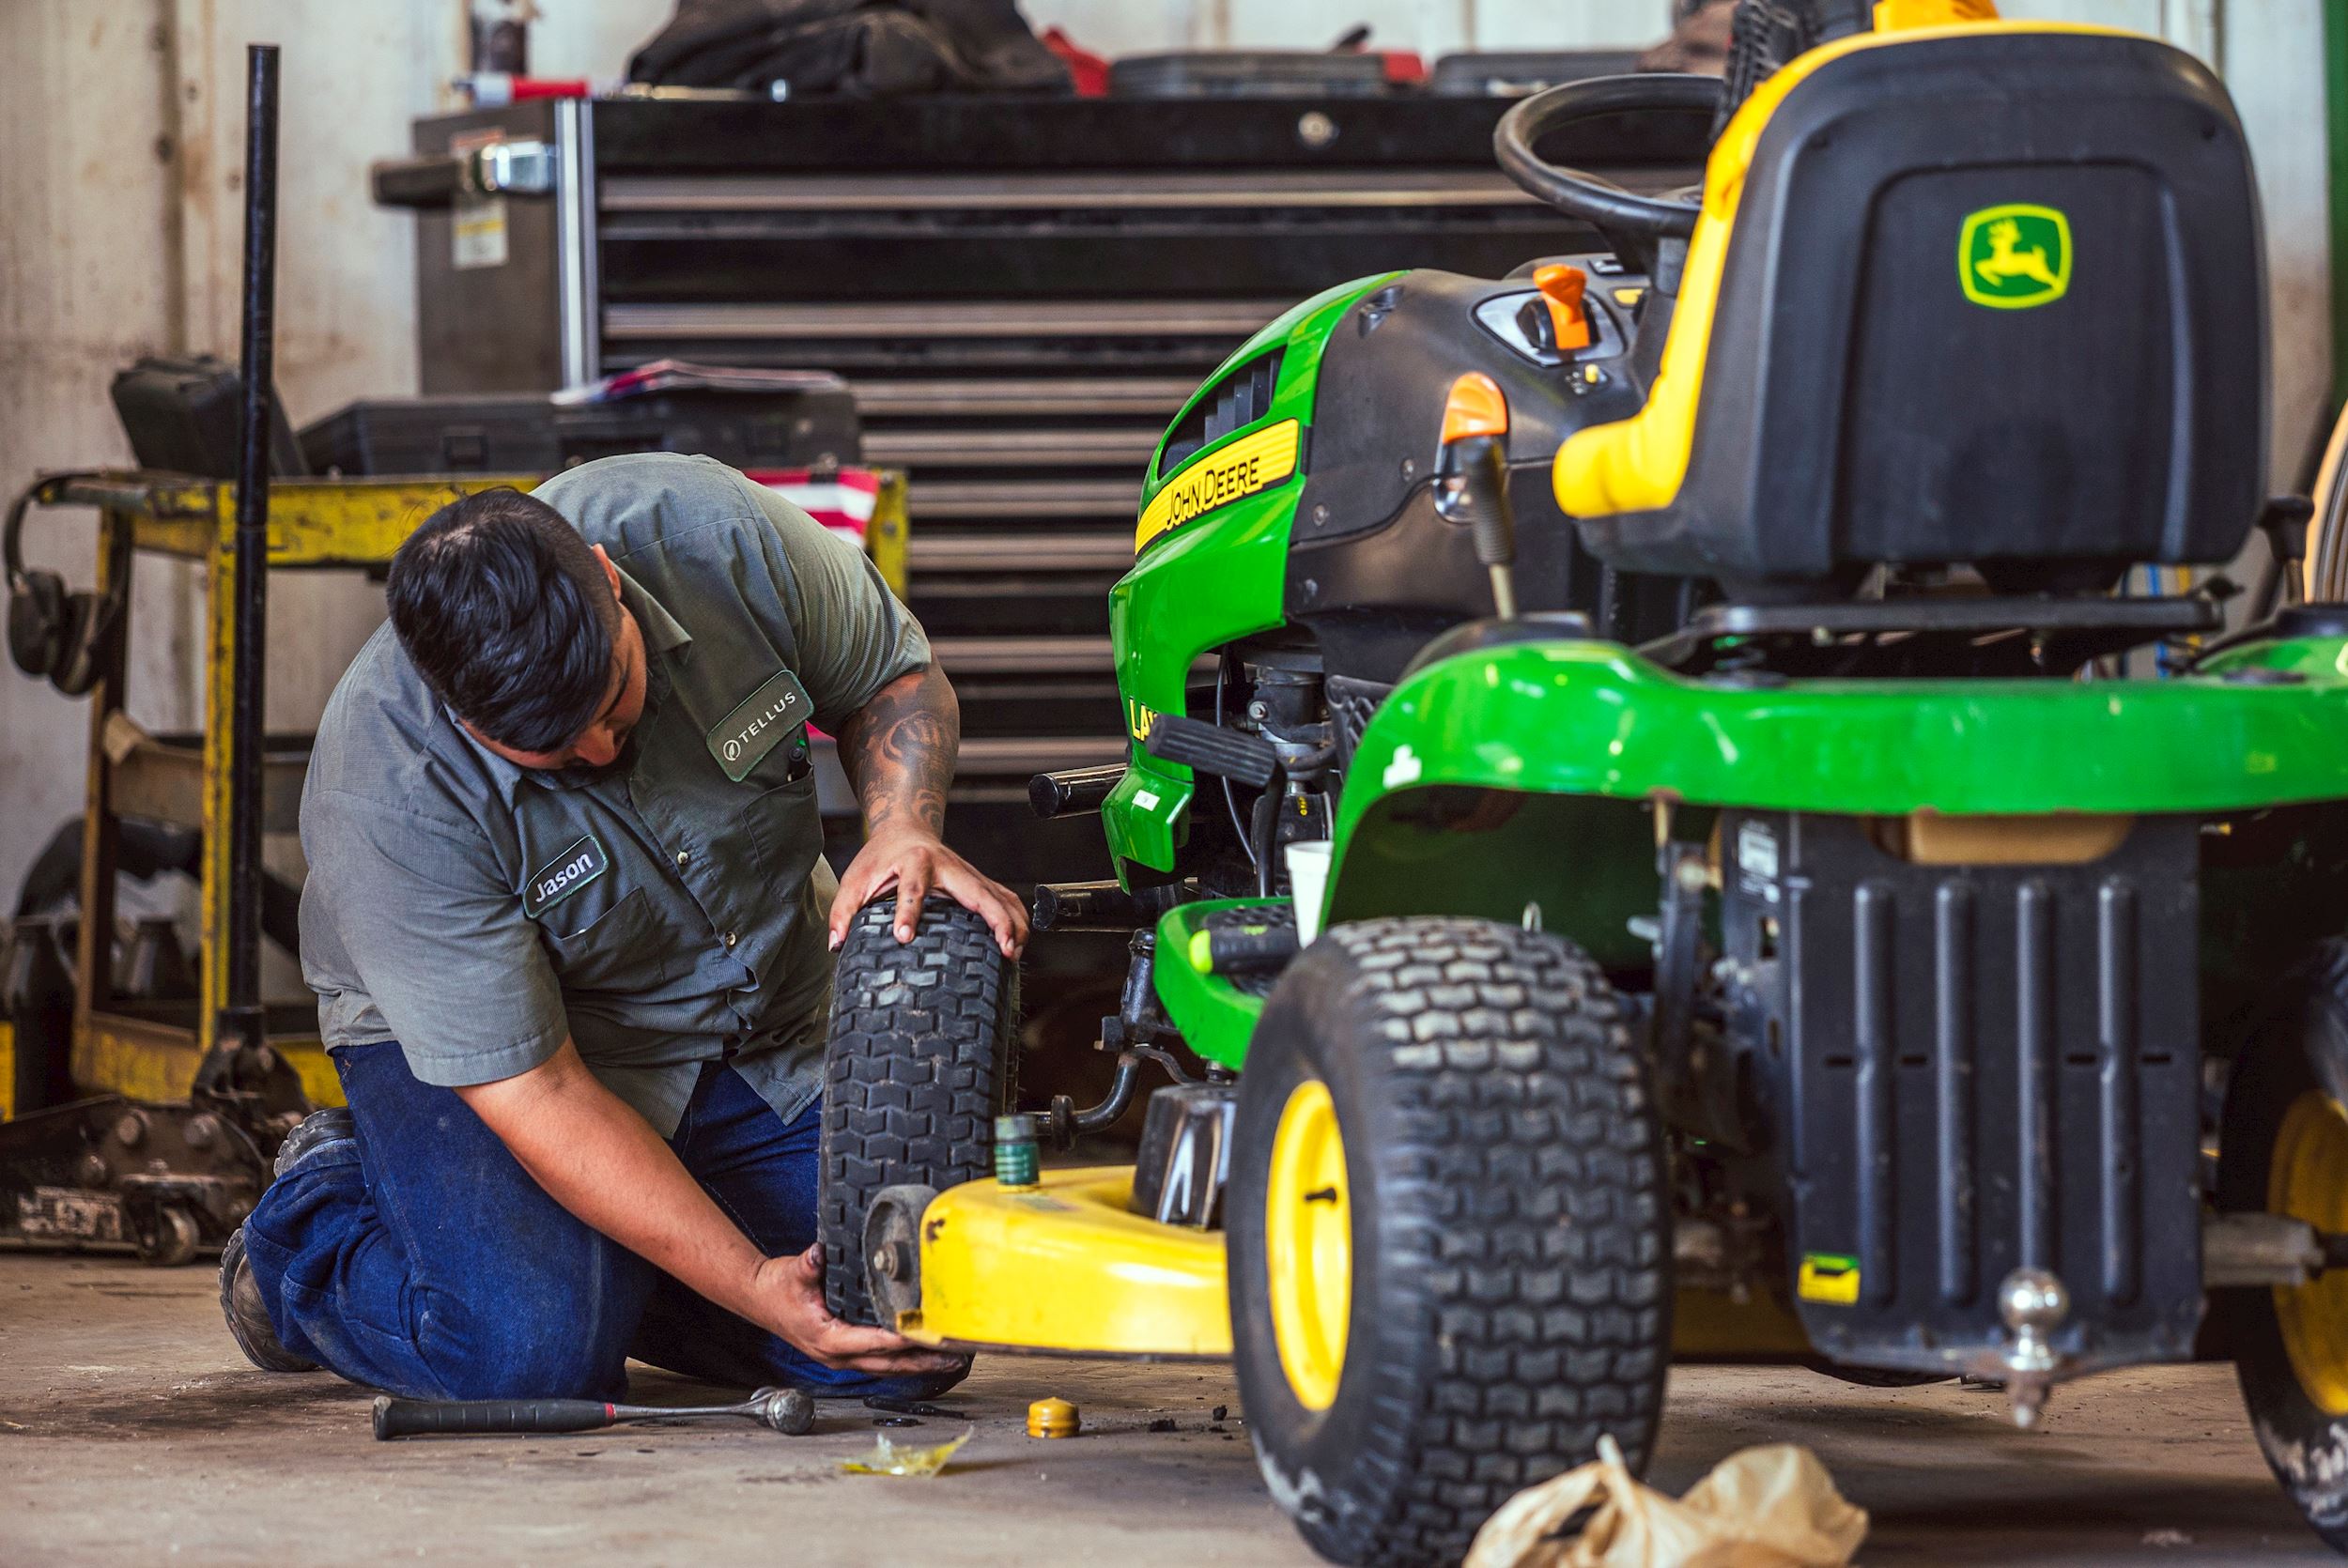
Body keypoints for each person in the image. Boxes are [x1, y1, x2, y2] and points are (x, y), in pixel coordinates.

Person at [218, 452, 1027, 1402]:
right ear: (465, 718)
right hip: (517, 1051)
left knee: (906, 1334)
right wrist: (754, 1284)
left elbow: (895, 676)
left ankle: (595, 1258)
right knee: (526, 1354)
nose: (603, 746)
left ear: (608, 577)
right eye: (559, 750)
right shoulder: (387, 790)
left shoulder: (705, 531)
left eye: (615, 693)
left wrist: (901, 826)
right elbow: (545, 1089)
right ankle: (318, 1211)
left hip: (747, 1012)